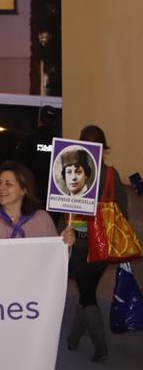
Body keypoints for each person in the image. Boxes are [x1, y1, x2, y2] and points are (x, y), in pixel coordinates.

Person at [65, 125, 128, 362]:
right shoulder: (112, 174)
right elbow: (123, 212)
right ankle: (72, 338)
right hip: (104, 245)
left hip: (81, 243)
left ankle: (100, 346)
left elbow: (65, 210)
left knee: (87, 294)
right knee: (86, 289)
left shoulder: (72, 172)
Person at [0, 161, 74, 242]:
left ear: (24, 190)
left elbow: (54, 258)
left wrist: (64, 243)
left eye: (8, 184)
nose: (1, 188)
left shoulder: (42, 219)